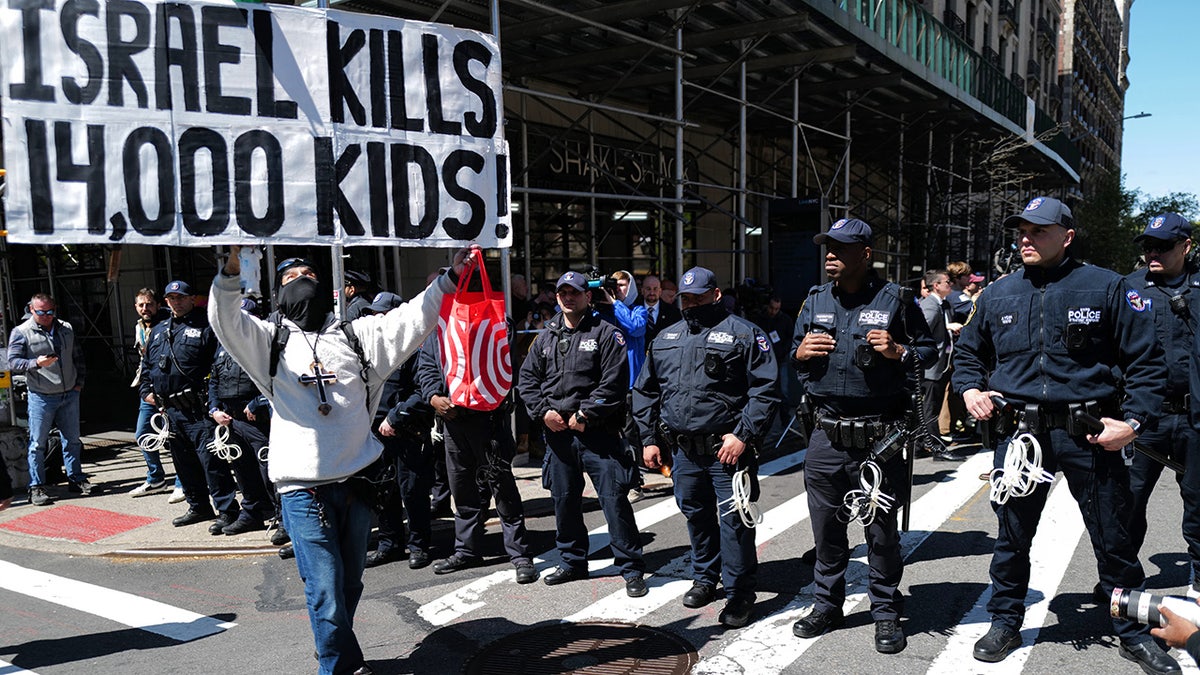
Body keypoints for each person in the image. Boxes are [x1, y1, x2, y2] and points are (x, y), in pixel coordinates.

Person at [210, 247, 470, 675]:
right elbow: (226, 320)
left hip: (358, 483)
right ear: (278, 294)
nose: (302, 280)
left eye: (308, 273)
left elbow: (411, 319)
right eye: (291, 277)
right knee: (326, 589)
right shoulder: (268, 342)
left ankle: (335, 650)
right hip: (303, 490)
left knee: (350, 584)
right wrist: (232, 271)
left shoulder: (357, 335)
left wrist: (449, 279)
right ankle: (337, 667)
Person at [952, 196, 1177, 673]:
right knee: (1012, 536)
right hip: (1021, 437)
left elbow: (1146, 362)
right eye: (1020, 232)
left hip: (1089, 434)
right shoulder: (997, 293)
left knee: (1112, 538)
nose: (1025, 239)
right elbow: (968, 352)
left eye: (1037, 231)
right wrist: (971, 388)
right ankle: (1005, 618)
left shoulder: (1107, 287)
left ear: (1067, 235)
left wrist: (1132, 422)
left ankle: (1132, 630)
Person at [788, 219, 935, 653]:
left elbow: (927, 350)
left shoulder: (898, 300)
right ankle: (827, 605)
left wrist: (898, 351)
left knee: (882, 533)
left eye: (840, 248)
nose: (830, 254)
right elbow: (794, 354)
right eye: (827, 247)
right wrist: (798, 352)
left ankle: (886, 613)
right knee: (826, 531)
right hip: (826, 435)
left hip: (879, 436)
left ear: (865, 253)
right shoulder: (814, 299)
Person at [633, 266, 780, 628]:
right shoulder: (666, 337)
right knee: (696, 516)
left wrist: (743, 434)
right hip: (683, 450)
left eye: (699, 296)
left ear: (716, 294)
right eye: (686, 298)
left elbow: (766, 390)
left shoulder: (746, 335)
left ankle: (740, 592)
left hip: (727, 450)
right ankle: (705, 578)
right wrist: (649, 439)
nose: (692, 303)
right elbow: (646, 391)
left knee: (734, 522)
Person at [518, 271, 647, 597]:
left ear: (588, 297)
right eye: (562, 292)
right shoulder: (546, 336)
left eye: (574, 292)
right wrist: (542, 412)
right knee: (564, 502)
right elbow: (528, 381)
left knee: (614, 501)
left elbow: (615, 383)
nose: (567, 297)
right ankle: (573, 561)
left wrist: (585, 414)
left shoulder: (606, 333)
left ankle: (631, 568)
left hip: (597, 433)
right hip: (559, 435)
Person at [419, 332, 537, 583]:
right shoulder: (439, 329)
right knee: (461, 489)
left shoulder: (493, 321)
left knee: (502, 489)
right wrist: (433, 397)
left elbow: (506, 367)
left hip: (489, 420)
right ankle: (466, 550)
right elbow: (427, 366)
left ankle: (519, 554)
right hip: (453, 421)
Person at [1125, 213, 1200, 596]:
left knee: (1198, 504)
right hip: (1144, 419)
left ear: (1186, 246)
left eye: (1163, 246)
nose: (1152, 252)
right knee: (1127, 503)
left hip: (1194, 418)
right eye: (1147, 246)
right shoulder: (1128, 288)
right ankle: (1120, 579)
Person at [141, 281, 240, 532]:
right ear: (166, 301)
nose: (176, 302)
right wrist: (146, 391)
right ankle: (198, 506)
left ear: (192, 298)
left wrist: (214, 402)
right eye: (171, 298)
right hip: (170, 410)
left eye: (181, 297)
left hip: (198, 407)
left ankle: (227, 510)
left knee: (211, 462)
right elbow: (147, 367)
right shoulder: (160, 329)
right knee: (183, 463)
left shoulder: (206, 326)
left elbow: (218, 367)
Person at [363, 292, 436, 570]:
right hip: (376, 433)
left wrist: (394, 418)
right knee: (382, 491)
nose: (376, 318)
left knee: (413, 492)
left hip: (407, 432)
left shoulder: (415, 347)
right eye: (373, 314)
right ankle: (389, 544)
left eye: (381, 313)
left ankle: (419, 546)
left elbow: (424, 391)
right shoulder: (369, 349)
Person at [205, 298, 277, 536]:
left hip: (258, 420)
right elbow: (214, 379)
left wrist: (259, 402)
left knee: (270, 470)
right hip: (231, 419)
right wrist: (214, 409)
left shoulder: (265, 344)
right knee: (243, 471)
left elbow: (278, 381)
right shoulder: (225, 343)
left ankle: (283, 517)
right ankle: (252, 513)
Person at [8, 293, 88, 505]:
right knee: (37, 443)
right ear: (32, 310)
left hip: (69, 393)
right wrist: (36, 363)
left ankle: (76, 479)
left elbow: (77, 356)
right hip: (41, 396)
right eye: (41, 312)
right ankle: (36, 487)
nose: (46, 316)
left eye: (50, 312)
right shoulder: (21, 332)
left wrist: (79, 383)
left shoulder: (66, 328)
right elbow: (13, 362)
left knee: (72, 440)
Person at [129, 288, 173, 497]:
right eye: (141, 305)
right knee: (143, 434)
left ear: (158, 305)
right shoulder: (139, 327)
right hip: (148, 390)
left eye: (149, 304)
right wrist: (145, 390)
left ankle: (184, 483)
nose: (145, 308)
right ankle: (156, 479)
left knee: (175, 438)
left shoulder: (169, 324)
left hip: (170, 389)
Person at [918, 269, 964, 462]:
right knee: (930, 407)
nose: (950, 285)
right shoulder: (930, 305)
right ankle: (936, 447)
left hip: (942, 362)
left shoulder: (943, 304)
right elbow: (921, 330)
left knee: (931, 406)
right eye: (946, 282)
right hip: (931, 364)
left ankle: (920, 445)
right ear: (936, 285)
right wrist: (947, 327)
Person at [755, 296, 795, 405]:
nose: (774, 311)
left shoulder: (785, 320)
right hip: (765, 358)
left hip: (780, 357)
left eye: (777, 309)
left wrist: (784, 351)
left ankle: (784, 417)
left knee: (783, 389)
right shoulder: (761, 319)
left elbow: (791, 338)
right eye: (772, 308)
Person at [642, 275, 682, 346]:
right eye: (648, 289)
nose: (652, 293)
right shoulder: (633, 310)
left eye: (655, 289)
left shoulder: (673, 312)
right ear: (642, 291)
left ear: (660, 291)